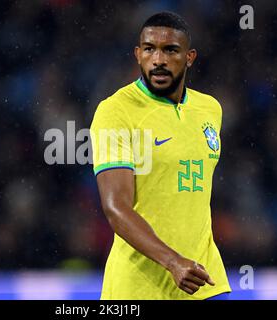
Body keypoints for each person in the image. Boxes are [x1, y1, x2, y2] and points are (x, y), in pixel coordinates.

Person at [90, 11, 231, 300]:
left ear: (189, 57)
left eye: (170, 50)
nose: (159, 60)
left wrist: (185, 262)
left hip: (204, 281)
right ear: (138, 54)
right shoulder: (115, 112)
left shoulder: (210, 110)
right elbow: (116, 207)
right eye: (150, 49)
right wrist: (172, 261)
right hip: (139, 289)